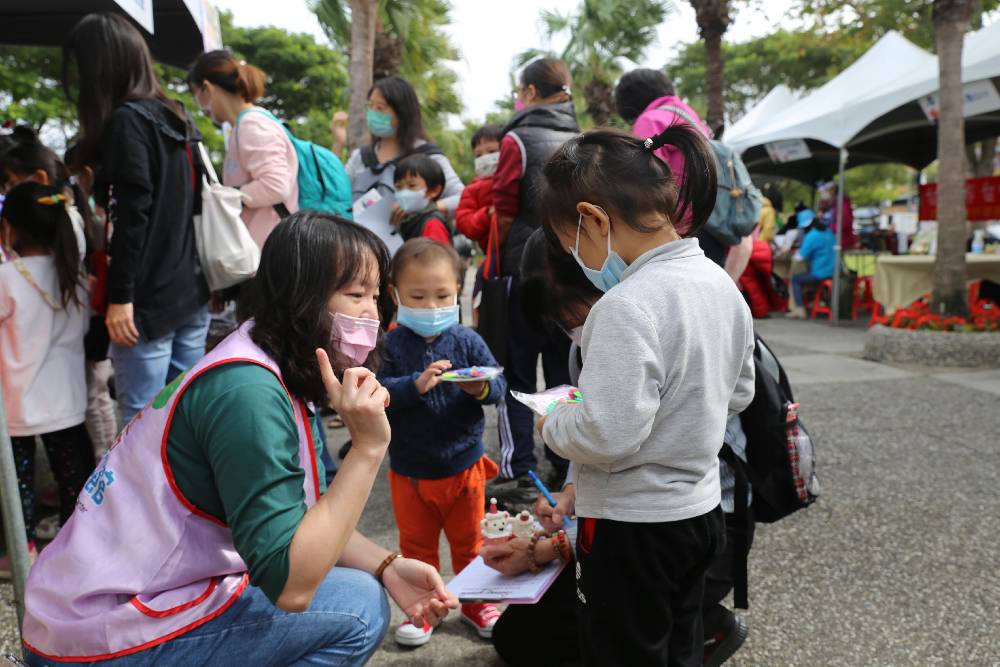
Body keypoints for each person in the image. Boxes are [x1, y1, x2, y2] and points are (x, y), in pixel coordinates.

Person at [22, 212, 458, 666]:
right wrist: (367, 449)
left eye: (375, 297)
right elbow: (292, 585)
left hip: (88, 606)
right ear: (300, 298)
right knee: (357, 609)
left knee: (364, 587)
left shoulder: (268, 360)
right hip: (98, 633)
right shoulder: (247, 394)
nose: (371, 313)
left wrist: (387, 566)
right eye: (354, 295)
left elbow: (300, 519)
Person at [531, 125, 756, 667]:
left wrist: (554, 422)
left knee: (622, 651)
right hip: (700, 512)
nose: (579, 258)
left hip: (631, 527)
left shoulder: (624, 305)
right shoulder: (720, 283)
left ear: (594, 220)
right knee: (681, 642)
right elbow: (740, 392)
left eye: (571, 243)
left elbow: (606, 433)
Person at [64, 13, 210, 424]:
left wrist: (120, 297)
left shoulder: (127, 123)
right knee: (184, 417)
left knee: (142, 422)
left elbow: (131, 220)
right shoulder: (176, 116)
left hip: (145, 305)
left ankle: (148, 492)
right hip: (188, 293)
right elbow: (191, 205)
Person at [376, 238, 506, 646]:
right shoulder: (391, 345)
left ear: (458, 291)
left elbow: (498, 385)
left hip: (464, 468)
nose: (432, 307)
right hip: (411, 470)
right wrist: (413, 386)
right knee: (416, 548)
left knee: (470, 544)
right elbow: (378, 391)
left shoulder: (465, 339)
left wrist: (479, 390)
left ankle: (474, 600)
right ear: (396, 294)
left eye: (442, 295)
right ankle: (425, 607)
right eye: (418, 296)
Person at [489, 57, 580, 504]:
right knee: (566, 369)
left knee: (517, 372)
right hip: (571, 272)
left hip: (522, 271)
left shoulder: (517, 139)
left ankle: (518, 466)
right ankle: (567, 461)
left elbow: (504, 209)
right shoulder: (583, 138)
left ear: (527, 93)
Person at [0, 182, 94, 576]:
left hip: (17, 401)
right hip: (68, 401)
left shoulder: (7, 277)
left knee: (18, 486)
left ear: (11, 229)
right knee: (75, 479)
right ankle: (81, 547)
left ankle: (22, 553)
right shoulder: (74, 277)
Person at [188, 50, 299, 250]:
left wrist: (225, 196)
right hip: (266, 249)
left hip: (268, 252)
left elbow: (276, 186)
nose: (201, 108)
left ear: (207, 88)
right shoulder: (246, 124)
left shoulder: (252, 125)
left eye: (197, 96)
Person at [345, 76, 464, 215]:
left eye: (380, 108)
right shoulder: (360, 157)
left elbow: (462, 198)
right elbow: (337, 196)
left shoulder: (427, 156)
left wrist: (426, 208)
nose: (372, 113)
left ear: (402, 112)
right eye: (370, 106)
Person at [455, 124, 502, 252]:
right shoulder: (471, 190)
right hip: (493, 253)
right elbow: (465, 225)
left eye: (492, 152)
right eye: (478, 155)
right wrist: (487, 214)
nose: (484, 158)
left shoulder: (516, 179)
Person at [392, 154, 452, 245]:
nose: (403, 193)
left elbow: (437, 258)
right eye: (398, 187)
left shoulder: (432, 224)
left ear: (434, 191)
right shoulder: (408, 220)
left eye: (412, 186)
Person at [788, 212, 836, 318]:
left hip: (819, 273)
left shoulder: (812, 236)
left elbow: (799, 257)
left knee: (795, 279)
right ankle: (813, 302)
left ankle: (800, 309)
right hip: (833, 271)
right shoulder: (829, 232)